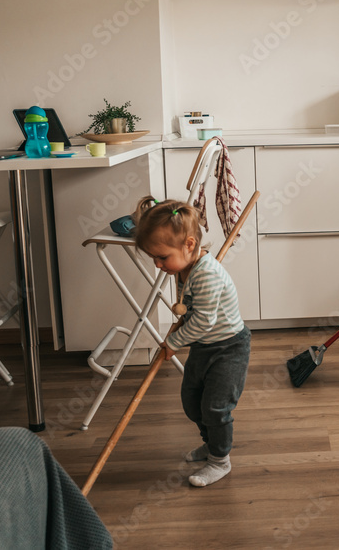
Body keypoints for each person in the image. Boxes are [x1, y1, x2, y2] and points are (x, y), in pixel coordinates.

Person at [132, 196, 250, 487]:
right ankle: (211, 444)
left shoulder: (206, 275)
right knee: (192, 402)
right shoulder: (184, 266)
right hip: (203, 345)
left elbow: (204, 321)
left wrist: (173, 342)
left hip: (228, 347)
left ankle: (220, 460)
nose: (158, 265)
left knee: (216, 407)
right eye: (154, 258)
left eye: (162, 257)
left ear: (189, 244)